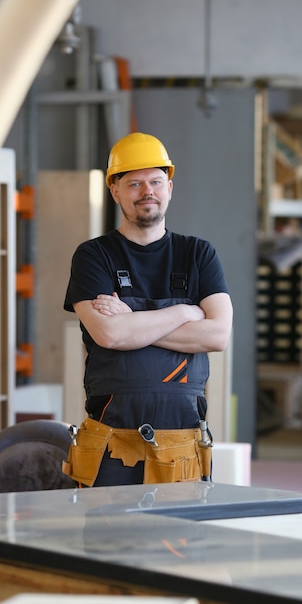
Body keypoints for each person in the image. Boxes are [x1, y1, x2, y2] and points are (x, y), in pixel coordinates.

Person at [63, 132, 233, 487]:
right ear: (115, 192)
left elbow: (218, 335)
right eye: (134, 183)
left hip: (183, 448)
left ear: (169, 187)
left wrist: (131, 320)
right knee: (103, 542)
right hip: (110, 447)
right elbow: (109, 333)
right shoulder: (94, 256)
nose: (147, 191)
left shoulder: (199, 255)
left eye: (156, 181)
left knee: (180, 542)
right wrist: (186, 312)